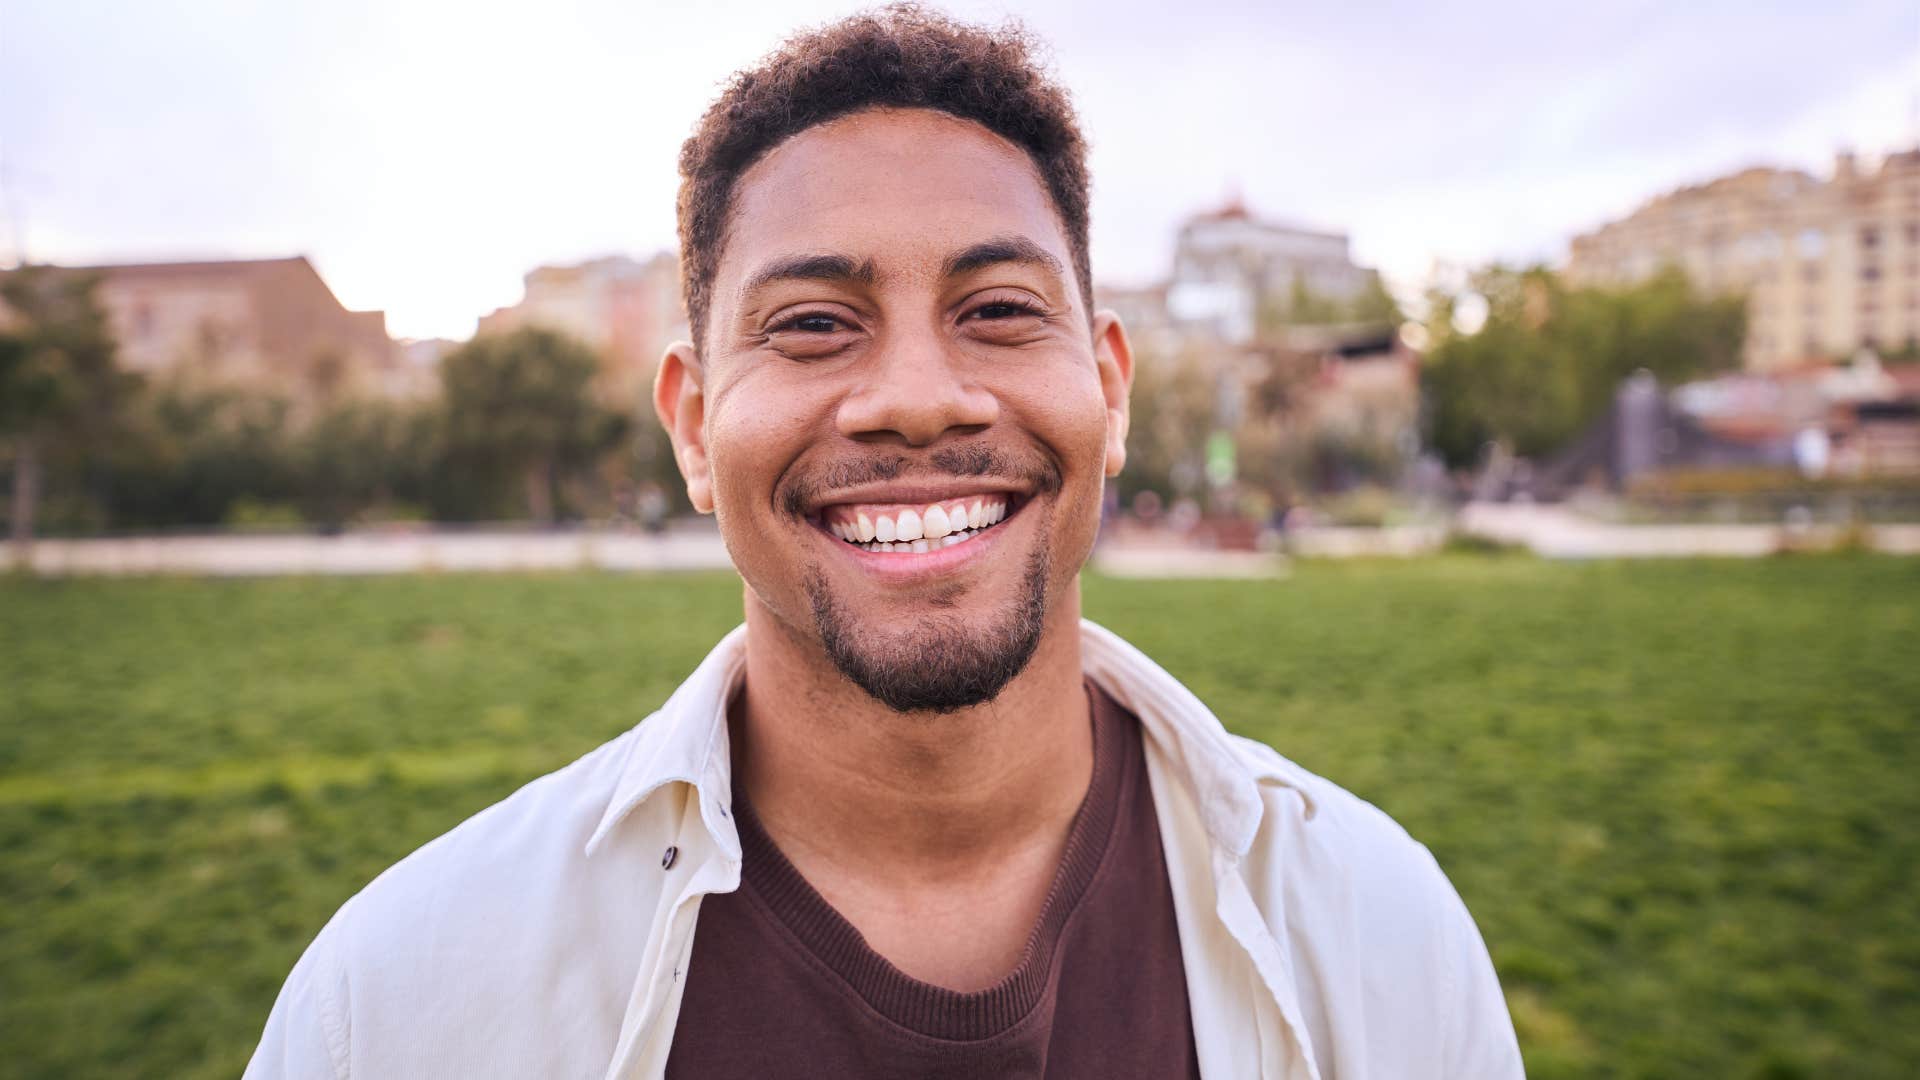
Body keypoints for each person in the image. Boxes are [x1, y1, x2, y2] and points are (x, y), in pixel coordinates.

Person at [246, 7, 1523, 1077]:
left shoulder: (1378, 936)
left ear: (1111, 390)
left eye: (1000, 309)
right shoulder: (397, 1010)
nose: (917, 394)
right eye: (812, 324)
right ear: (695, 428)